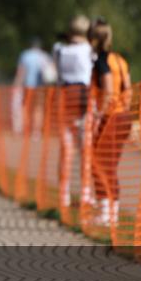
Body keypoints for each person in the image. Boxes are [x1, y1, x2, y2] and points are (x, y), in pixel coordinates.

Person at [87, 18, 132, 226]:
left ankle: (106, 211)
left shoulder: (102, 61)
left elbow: (109, 91)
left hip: (111, 116)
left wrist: (99, 117)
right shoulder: (120, 60)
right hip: (124, 116)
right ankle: (111, 212)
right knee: (109, 164)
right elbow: (128, 90)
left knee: (100, 163)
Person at [53, 15, 94, 208]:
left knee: (66, 150)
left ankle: (64, 194)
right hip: (84, 99)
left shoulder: (59, 50)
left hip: (63, 99)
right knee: (85, 149)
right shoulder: (89, 51)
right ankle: (85, 193)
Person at [11, 36, 56, 133]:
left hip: (27, 86)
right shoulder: (45, 56)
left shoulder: (25, 55)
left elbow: (21, 71)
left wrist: (16, 84)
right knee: (38, 108)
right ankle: (36, 131)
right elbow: (51, 72)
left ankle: (25, 128)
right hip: (41, 86)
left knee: (25, 106)